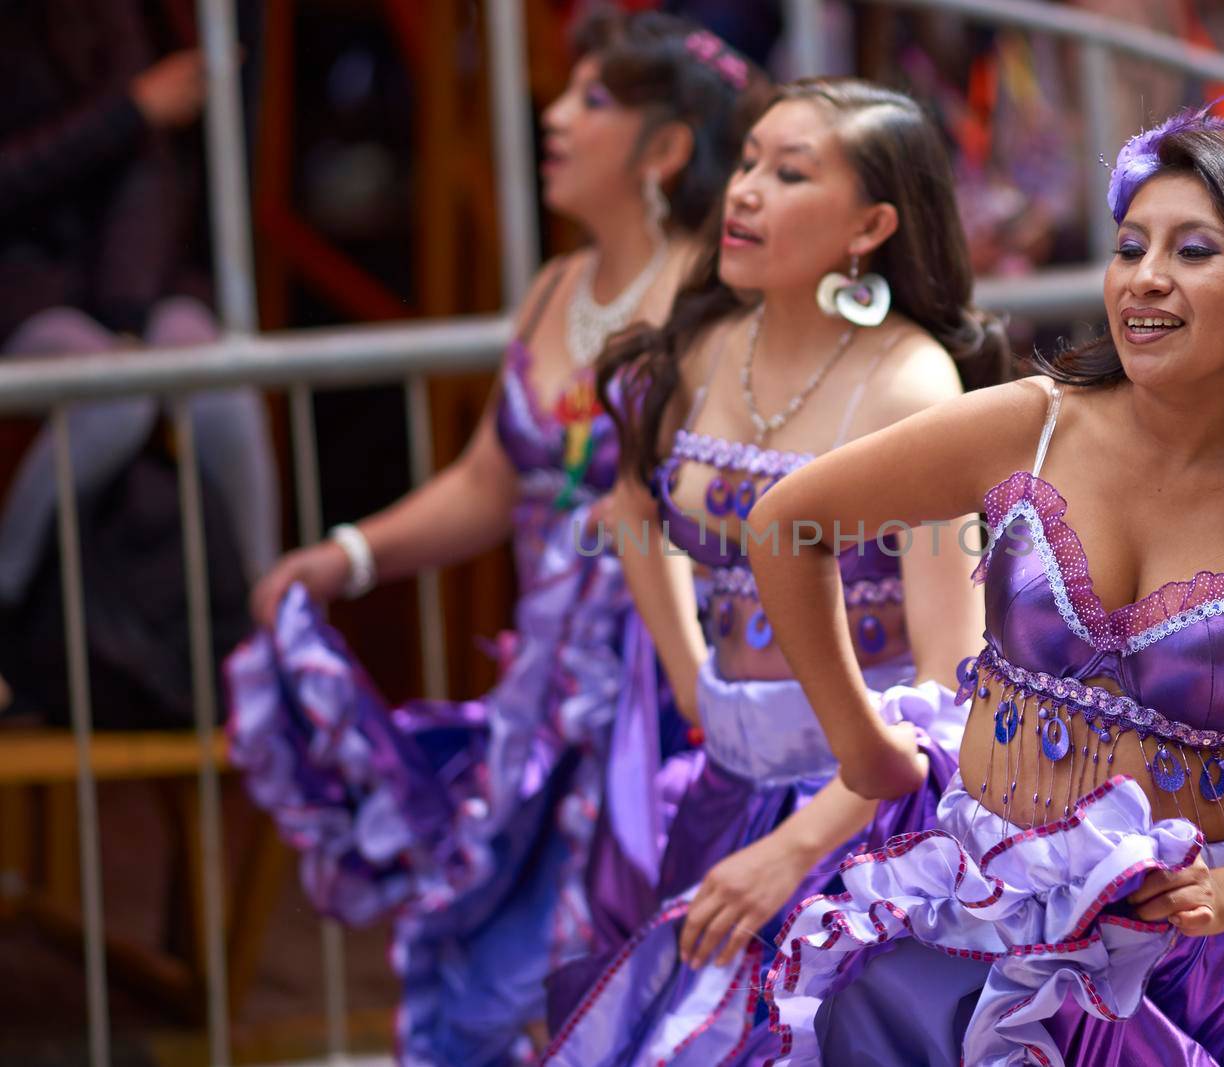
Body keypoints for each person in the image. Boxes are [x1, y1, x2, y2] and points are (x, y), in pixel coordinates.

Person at [748, 93, 1224, 1066]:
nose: (1144, 279)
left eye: (1192, 250)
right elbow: (785, 523)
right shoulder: (1029, 424)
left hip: (1204, 986)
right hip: (979, 924)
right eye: (1127, 246)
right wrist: (862, 746)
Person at [225, 12, 759, 1063]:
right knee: (481, 980)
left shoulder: (721, 296)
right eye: (565, 94)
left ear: (664, 148)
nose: (553, 118)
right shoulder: (556, 287)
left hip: (659, 719)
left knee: (608, 981)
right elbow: (488, 477)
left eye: (591, 100)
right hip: (541, 712)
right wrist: (349, 555)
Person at [540, 78, 1005, 1065]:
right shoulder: (704, 348)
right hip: (724, 786)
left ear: (871, 225)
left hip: (869, 816)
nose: (744, 191)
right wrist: (690, 677)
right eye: (747, 161)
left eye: (790, 173)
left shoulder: (910, 381)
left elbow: (948, 680)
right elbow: (632, 508)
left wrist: (801, 844)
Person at [0, 0, 278, 713]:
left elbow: (153, 175)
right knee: (114, 394)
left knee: (215, 374)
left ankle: (268, 631)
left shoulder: (127, 16)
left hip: (131, 282)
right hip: (28, 283)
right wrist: (128, 114)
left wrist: (131, 311)